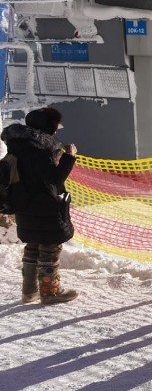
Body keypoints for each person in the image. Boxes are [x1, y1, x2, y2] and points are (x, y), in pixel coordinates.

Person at [1, 107, 78, 304]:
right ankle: (50, 292)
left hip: (24, 205)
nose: (56, 131)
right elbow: (53, 179)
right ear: (47, 127)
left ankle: (29, 292)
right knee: (49, 249)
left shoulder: (17, 145)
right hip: (45, 206)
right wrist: (69, 157)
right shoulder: (42, 148)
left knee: (33, 246)